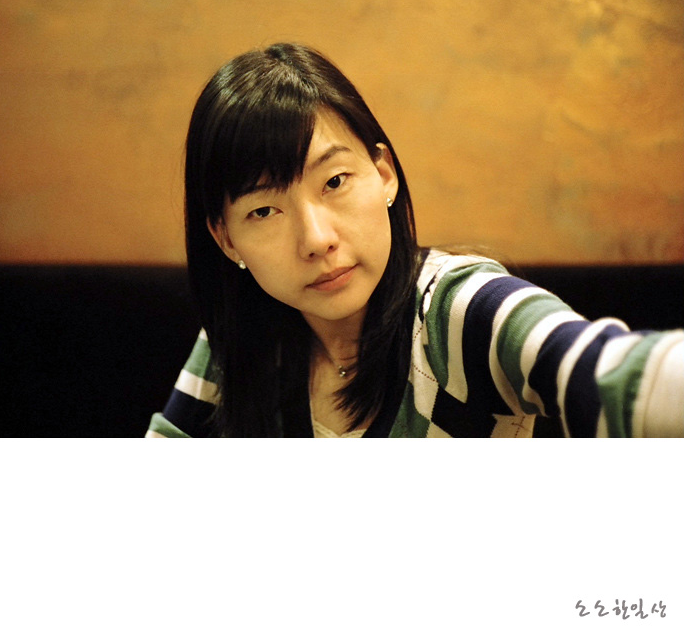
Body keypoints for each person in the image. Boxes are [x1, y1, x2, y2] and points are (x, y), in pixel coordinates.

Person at [146, 42, 683, 438]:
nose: (316, 239)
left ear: (383, 174)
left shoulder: (460, 313)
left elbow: (607, 373)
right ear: (227, 240)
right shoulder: (239, 334)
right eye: (264, 210)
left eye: (334, 181)